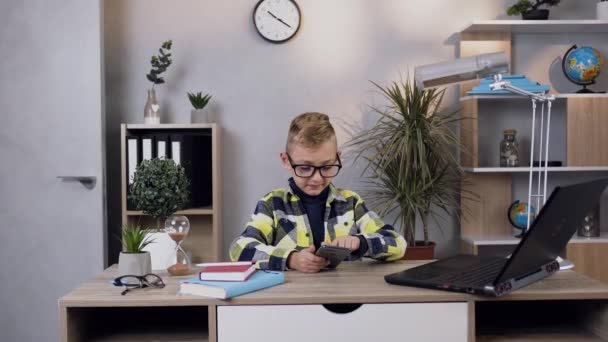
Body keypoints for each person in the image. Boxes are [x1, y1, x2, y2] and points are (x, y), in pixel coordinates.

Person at [229, 112, 406, 272]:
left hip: (344, 297)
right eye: (305, 168)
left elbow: (397, 243)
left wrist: (362, 242)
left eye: (327, 166)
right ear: (286, 161)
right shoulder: (272, 204)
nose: (317, 178)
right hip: (291, 301)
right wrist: (291, 259)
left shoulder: (350, 203)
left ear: (337, 158)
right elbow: (239, 249)